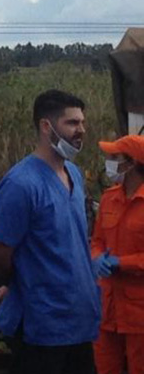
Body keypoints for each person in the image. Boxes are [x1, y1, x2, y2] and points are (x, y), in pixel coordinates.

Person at [0, 89, 100, 374]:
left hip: (79, 323)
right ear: (47, 127)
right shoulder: (21, 185)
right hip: (43, 327)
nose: (81, 130)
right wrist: (21, 281)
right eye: (72, 123)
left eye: (82, 123)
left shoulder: (73, 174)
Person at [90, 134, 144, 374]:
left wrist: (122, 263)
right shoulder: (109, 198)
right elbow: (97, 240)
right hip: (107, 309)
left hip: (139, 313)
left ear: (131, 163)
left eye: (114, 157)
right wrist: (97, 258)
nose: (108, 162)